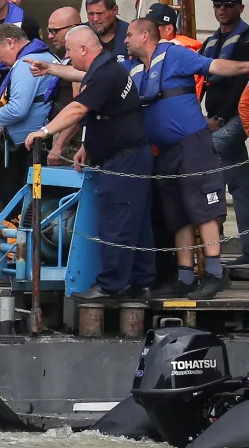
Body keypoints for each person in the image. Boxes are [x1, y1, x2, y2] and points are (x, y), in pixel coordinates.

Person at [24, 26, 155, 300]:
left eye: (69, 51)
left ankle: (110, 285)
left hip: (124, 159)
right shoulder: (105, 67)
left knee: (117, 221)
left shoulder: (105, 74)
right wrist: (88, 146)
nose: (68, 56)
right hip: (128, 155)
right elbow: (85, 83)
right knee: (135, 221)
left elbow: (78, 109)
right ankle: (141, 281)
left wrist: (44, 131)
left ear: (84, 49)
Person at [124, 19, 249, 299]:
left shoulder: (175, 54)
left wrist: (246, 66)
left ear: (145, 36)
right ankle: (185, 276)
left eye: (129, 34)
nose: (125, 39)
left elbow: (215, 66)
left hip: (193, 145)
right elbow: (89, 75)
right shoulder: (132, 68)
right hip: (165, 151)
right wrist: (51, 68)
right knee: (177, 213)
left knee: (204, 207)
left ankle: (216, 273)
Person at [201, 0, 249, 265]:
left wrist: (219, 118)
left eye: (228, 4)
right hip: (215, 116)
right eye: (217, 4)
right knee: (241, 184)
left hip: (239, 116)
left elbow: (242, 82)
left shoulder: (247, 39)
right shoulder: (211, 41)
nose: (221, 9)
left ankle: (209, 250)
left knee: (204, 160)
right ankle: (248, 252)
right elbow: (201, 80)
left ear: (241, 8)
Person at [0, 23, 58, 175]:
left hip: (34, 147)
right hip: (45, 140)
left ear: (10, 43)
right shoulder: (46, 56)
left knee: (32, 189)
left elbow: (17, 110)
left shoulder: (26, 64)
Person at [45, 7, 84, 166]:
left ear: (73, 28)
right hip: (61, 130)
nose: (50, 36)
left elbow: (80, 108)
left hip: (71, 140)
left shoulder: (80, 60)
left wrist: (59, 144)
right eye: (49, 30)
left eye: (55, 31)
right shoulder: (66, 55)